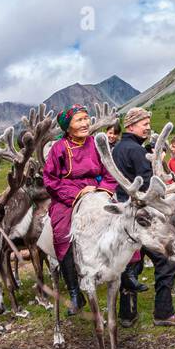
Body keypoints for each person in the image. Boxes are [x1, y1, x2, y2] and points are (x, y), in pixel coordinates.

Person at [112, 107, 175, 327]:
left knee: (130, 265)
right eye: (144, 123)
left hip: (125, 215)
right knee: (166, 260)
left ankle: (127, 315)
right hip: (144, 216)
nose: (147, 127)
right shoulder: (136, 151)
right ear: (132, 125)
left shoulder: (119, 148)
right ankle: (163, 313)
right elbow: (148, 185)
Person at [41, 104, 118, 315]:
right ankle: (75, 292)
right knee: (61, 233)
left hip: (99, 190)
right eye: (79, 120)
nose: (85, 123)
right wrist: (77, 194)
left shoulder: (96, 143)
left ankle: (129, 270)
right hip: (66, 195)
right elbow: (50, 180)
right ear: (68, 127)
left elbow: (110, 171)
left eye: (86, 118)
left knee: (123, 219)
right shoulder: (58, 148)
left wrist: (104, 191)